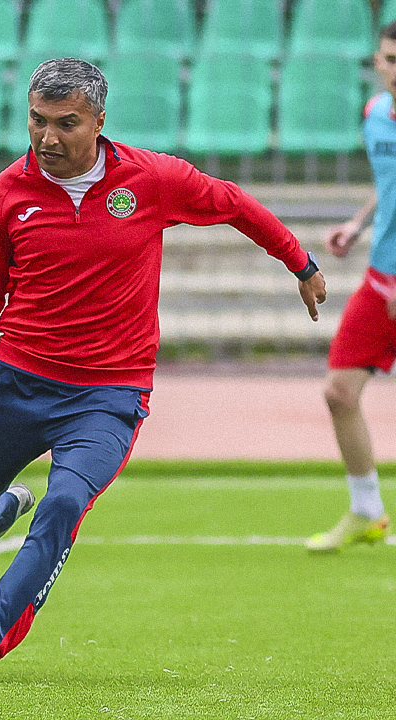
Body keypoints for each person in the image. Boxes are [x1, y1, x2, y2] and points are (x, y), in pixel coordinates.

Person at [0, 58, 327, 684]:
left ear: (99, 121)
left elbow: (235, 204)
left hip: (106, 396)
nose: (48, 137)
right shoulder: (5, 195)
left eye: (66, 123)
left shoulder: (152, 180)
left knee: (64, 503)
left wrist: (301, 263)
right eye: (37, 121)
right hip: (15, 384)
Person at [305, 20, 396, 553]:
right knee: (339, 392)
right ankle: (367, 509)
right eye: (391, 59)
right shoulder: (376, 113)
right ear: (378, 62)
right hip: (382, 280)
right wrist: (359, 223)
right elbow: (391, 184)